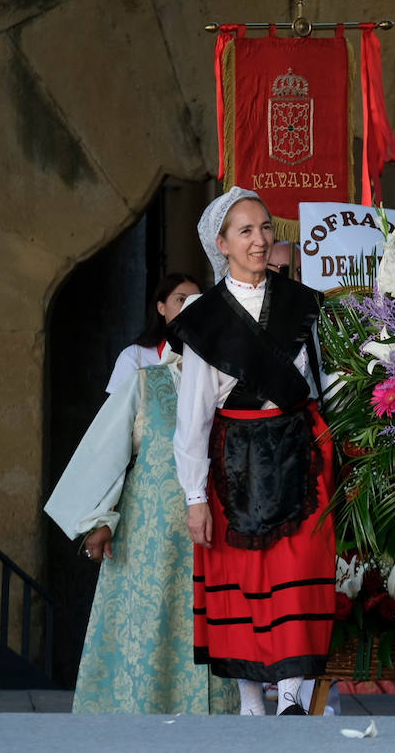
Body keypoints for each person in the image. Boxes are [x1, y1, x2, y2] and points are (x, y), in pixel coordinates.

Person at [169, 187, 335, 716]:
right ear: (221, 244)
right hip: (232, 455)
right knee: (239, 574)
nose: (261, 240)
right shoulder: (205, 318)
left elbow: (323, 382)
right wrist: (194, 495)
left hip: (298, 447)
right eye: (246, 231)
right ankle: (249, 701)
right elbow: (193, 412)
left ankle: (290, 694)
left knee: (295, 566)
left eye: (266, 228)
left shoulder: (303, 303)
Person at [45, 271, 239, 714]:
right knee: (148, 626)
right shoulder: (146, 382)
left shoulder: (230, 390)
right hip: (149, 537)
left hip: (213, 532)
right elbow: (108, 451)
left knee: (205, 625)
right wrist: (98, 519)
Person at [106, 273, 201, 394]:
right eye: (181, 299)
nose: (189, 306)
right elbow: (118, 409)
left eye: (196, 300)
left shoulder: (211, 357)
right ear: (161, 307)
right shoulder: (134, 356)